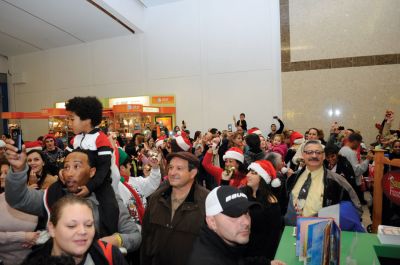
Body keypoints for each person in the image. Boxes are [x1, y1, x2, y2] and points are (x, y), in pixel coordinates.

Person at [4, 144, 141, 253]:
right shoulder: (52, 195)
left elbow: (135, 236)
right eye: (66, 167)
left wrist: (116, 240)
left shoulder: (109, 198)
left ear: (92, 172)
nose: (69, 173)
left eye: (76, 166)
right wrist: (17, 171)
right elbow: (17, 199)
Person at [187, 185, 285, 265]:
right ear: (212, 222)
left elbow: (236, 261)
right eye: (234, 215)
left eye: (246, 213)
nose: (246, 222)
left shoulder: (222, 245)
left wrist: (267, 263)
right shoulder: (207, 260)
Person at [141, 152, 209, 265]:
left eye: (179, 168)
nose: (172, 173)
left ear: (192, 173)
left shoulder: (206, 202)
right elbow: (146, 235)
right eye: (171, 167)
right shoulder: (156, 198)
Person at [65, 96, 119, 235]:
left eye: (72, 119)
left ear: (87, 120)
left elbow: (104, 169)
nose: (69, 123)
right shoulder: (75, 140)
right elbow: (64, 161)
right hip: (74, 183)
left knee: (110, 208)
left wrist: (90, 187)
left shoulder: (100, 139)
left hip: (100, 185)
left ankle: (107, 241)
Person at [21, 196, 128, 265]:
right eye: (71, 226)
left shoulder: (110, 255)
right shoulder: (33, 261)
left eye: (89, 225)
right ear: (52, 229)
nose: (82, 231)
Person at [284, 140, 362, 225]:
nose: (314, 155)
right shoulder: (292, 178)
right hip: (290, 231)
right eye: (309, 152)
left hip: (321, 233)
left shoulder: (337, 181)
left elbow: (356, 209)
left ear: (324, 156)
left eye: (318, 152)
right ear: (303, 155)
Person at [0, 159, 39, 265]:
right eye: (0, 173)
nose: (2, 177)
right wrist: (23, 237)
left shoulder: (35, 198)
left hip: (37, 257)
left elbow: (48, 227)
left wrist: (38, 239)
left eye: (7, 173)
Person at [243, 160, 282, 260]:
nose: (247, 175)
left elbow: (273, 235)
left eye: (253, 173)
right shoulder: (242, 193)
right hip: (242, 250)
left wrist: (266, 260)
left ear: (262, 177)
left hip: (260, 253)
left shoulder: (271, 202)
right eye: (249, 171)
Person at [339, 133, 374, 204]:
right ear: (355, 142)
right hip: (352, 183)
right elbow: (356, 171)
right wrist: (367, 160)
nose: (359, 146)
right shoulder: (350, 152)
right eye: (359, 143)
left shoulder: (342, 150)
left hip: (344, 182)